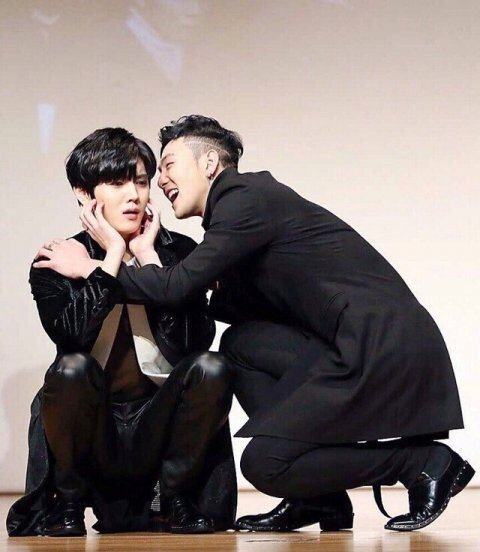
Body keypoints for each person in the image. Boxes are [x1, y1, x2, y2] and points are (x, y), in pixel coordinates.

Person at [35, 115, 474, 533]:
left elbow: (181, 296)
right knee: (241, 346)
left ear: (209, 163)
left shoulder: (243, 200)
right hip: (343, 339)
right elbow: (228, 304)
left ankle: (421, 462)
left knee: (264, 463)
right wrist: (143, 266)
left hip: (371, 342)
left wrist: (98, 268)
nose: (155, 186)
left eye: (162, 169)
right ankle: (317, 497)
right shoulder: (238, 214)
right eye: (126, 181)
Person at [7, 127, 236, 537]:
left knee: (212, 367)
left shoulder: (179, 253)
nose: (134, 195)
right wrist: (111, 258)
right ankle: (68, 504)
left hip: (158, 424)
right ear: (84, 193)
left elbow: (192, 345)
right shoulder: (58, 259)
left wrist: (150, 263)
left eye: (142, 182)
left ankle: (175, 498)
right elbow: (73, 339)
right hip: (96, 429)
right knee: (71, 370)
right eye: (117, 183)